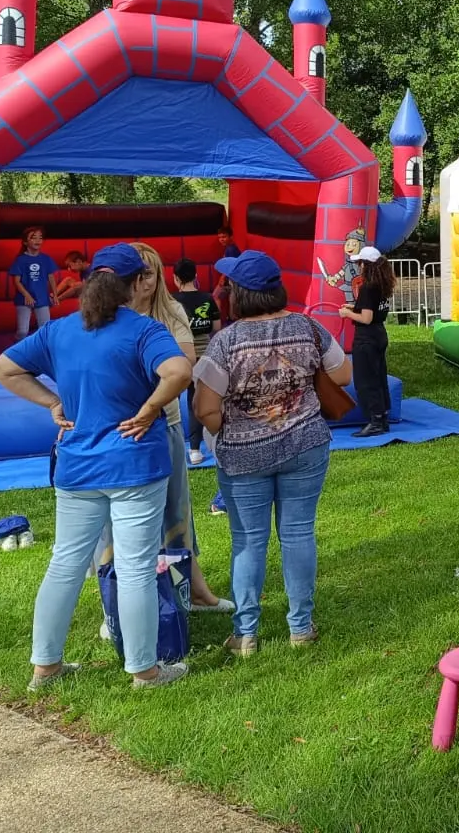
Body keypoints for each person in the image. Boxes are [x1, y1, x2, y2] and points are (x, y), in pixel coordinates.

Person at [0, 242, 193, 690]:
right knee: (136, 567)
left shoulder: (60, 330)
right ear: (136, 283)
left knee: (65, 563)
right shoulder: (143, 330)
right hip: (135, 464)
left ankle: (45, 667)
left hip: (77, 466)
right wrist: (150, 409)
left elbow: (3, 368)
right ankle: (144, 671)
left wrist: (52, 402)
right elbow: (179, 371)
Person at [193, 249, 352, 654]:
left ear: (241, 293)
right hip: (305, 445)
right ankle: (300, 627)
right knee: (298, 534)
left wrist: (228, 428)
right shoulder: (308, 327)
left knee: (248, 541)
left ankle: (246, 634)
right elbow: (343, 374)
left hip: (243, 456)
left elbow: (206, 409)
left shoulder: (226, 342)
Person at [94, 243, 230, 614]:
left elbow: (185, 362)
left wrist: (150, 398)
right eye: (136, 275)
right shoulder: (102, 316)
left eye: (149, 274)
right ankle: (115, 603)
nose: (143, 282)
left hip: (164, 425)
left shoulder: (169, 312)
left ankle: (192, 589)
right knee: (114, 519)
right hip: (115, 429)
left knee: (175, 510)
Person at [339, 246, 394, 437]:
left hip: (367, 338)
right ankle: (382, 417)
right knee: (378, 377)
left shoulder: (368, 287)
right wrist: (354, 307)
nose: (359, 266)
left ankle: (375, 420)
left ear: (366, 265)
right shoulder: (381, 285)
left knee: (365, 381)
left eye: (360, 263)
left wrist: (347, 314)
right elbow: (371, 309)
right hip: (379, 334)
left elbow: (366, 318)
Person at [171, 258, 220, 463]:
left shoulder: (171, 301)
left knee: (170, 402)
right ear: (196, 276)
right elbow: (216, 328)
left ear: (175, 278)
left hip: (177, 356)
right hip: (203, 357)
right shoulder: (207, 298)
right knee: (197, 401)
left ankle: (174, 447)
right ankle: (195, 450)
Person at [9, 226, 59, 339]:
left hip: (42, 298)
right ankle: (19, 346)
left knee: (44, 329)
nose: (38, 240)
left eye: (40, 238)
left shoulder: (46, 259)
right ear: (25, 242)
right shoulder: (20, 260)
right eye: (33, 237)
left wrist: (55, 294)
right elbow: (16, 281)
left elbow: (51, 277)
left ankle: (42, 349)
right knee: (23, 331)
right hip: (24, 299)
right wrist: (27, 295)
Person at [213, 223, 240, 320]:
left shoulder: (231, 249)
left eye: (224, 237)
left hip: (235, 283)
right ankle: (219, 319)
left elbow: (231, 266)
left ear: (231, 237)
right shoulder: (229, 249)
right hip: (230, 282)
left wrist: (222, 277)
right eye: (219, 237)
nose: (221, 239)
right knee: (216, 295)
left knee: (233, 308)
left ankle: (223, 320)